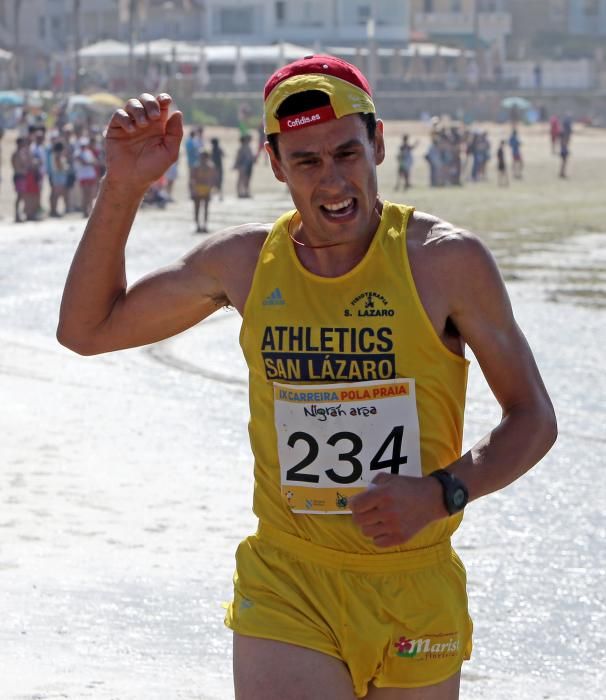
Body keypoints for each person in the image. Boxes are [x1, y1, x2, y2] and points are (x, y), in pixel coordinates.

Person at [57, 55, 557, 699]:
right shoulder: (242, 264)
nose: (332, 181)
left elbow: (533, 417)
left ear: (378, 143)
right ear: (275, 165)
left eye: (347, 153)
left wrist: (442, 492)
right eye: (307, 161)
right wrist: (123, 186)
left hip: (414, 580)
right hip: (288, 579)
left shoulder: (444, 262)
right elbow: (87, 331)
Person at [190, 150, 215, 233]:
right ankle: (200, 226)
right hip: (201, 188)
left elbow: (192, 179)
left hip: (201, 189)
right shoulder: (208, 166)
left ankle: (202, 226)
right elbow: (212, 180)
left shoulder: (198, 166)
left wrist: (193, 190)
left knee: (201, 208)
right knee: (201, 208)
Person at [233, 133, 255, 198]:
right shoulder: (242, 148)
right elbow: (238, 158)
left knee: (246, 180)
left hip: (248, 166)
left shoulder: (247, 147)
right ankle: (240, 193)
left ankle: (245, 193)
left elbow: (250, 157)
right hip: (243, 166)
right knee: (241, 179)